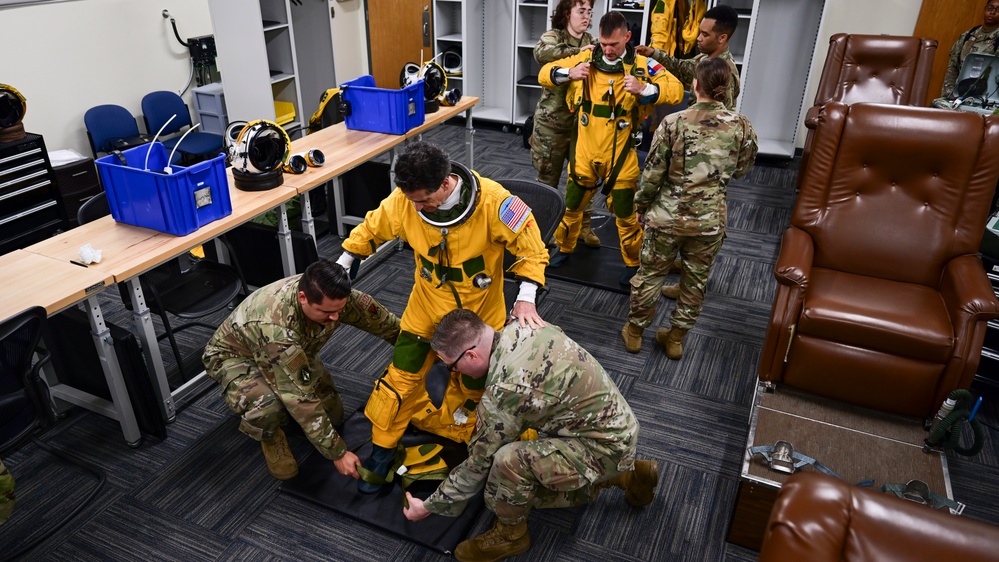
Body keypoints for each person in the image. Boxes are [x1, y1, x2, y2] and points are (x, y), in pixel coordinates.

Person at [336, 141, 549, 493]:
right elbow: (373, 227)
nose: (417, 207)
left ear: (447, 182)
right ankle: (383, 449)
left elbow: (532, 249)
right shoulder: (406, 201)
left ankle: (480, 443)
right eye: (412, 200)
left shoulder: (495, 203)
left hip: (477, 320)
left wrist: (526, 298)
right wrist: (344, 263)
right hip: (425, 310)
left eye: (423, 199)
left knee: (475, 390)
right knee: (400, 380)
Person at [402, 309, 659, 562]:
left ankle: (511, 536)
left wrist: (428, 507)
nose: (455, 373)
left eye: (452, 367)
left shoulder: (505, 390)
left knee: (506, 464)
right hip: (616, 427)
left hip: (604, 447)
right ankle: (628, 475)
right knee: (521, 439)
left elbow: (478, 462)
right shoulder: (523, 325)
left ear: (470, 355)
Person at [202, 259, 400, 481]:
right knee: (268, 404)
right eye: (326, 312)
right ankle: (270, 435)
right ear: (302, 298)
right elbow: (299, 397)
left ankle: (285, 409)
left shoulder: (332, 295)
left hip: (288, 352)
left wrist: (424, 350)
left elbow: (387, 324)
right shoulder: (276, 327)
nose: (335, 318)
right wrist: (338, 453)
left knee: (334, 418)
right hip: (237, 357)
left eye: (340, 310)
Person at [622, 57, 757, 358]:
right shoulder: (742, 126)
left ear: (695, 85)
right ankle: (675, 338)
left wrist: (642, 206)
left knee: (652, 274)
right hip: (709, 222)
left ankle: (634, 332)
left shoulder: (674, 123)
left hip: (667, 218)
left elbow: (653, 172)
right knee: (695, 281)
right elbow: (742, 168)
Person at [539, 10, 684, 285]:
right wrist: (569, 73)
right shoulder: (585, 56)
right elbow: (544, 74)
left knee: (626, 215)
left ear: (627, 37)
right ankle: (564, 248)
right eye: (604, 43)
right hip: (584, 150)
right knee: (571, 208)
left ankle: (632, 263)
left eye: (614, 45)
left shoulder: (642, 65)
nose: (607, 50)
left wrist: (645, 89)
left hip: (620, 156)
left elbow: (676, 89)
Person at [531, 0, 602, 249]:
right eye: (581, 11)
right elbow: (542, 54)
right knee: (547, 180)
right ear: (566, 14)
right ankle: (541, 231)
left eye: (589, 12)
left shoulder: (591, 39)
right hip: (552, 125)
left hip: (581, 126)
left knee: (584, 179)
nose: (586, 16)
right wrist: (580, 55)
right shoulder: (553, 37)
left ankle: (584, 227)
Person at [931, 0, 999, 109]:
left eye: (998, 9)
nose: (992, 12)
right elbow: (952, 66)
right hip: (960, 94)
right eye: (990, 8)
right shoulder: (967, 35)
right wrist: (949, 95)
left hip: (988, 99)